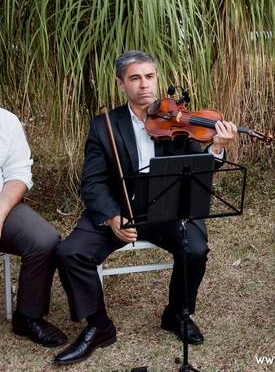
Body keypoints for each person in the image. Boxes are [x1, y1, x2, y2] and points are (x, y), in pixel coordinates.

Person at [53, 51, 237, 365]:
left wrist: (216, 147)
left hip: (166, 209)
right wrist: (112, 217)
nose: (144, 85)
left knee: (195, 248)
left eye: (149, 77)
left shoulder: (176, 120)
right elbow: (93, 183)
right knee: (70, 252)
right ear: (121, 84)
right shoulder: (104, 125)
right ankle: (99, 326)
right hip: (121, 209)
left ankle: (177, 314)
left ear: (156, 78)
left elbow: (198, 166)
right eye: (135, 78)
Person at [0, 108, 67, 347]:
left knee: (44, 240)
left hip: (1, 203)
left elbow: (17, 173)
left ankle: (28, 317)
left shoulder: (6, 121)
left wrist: (1, 213)